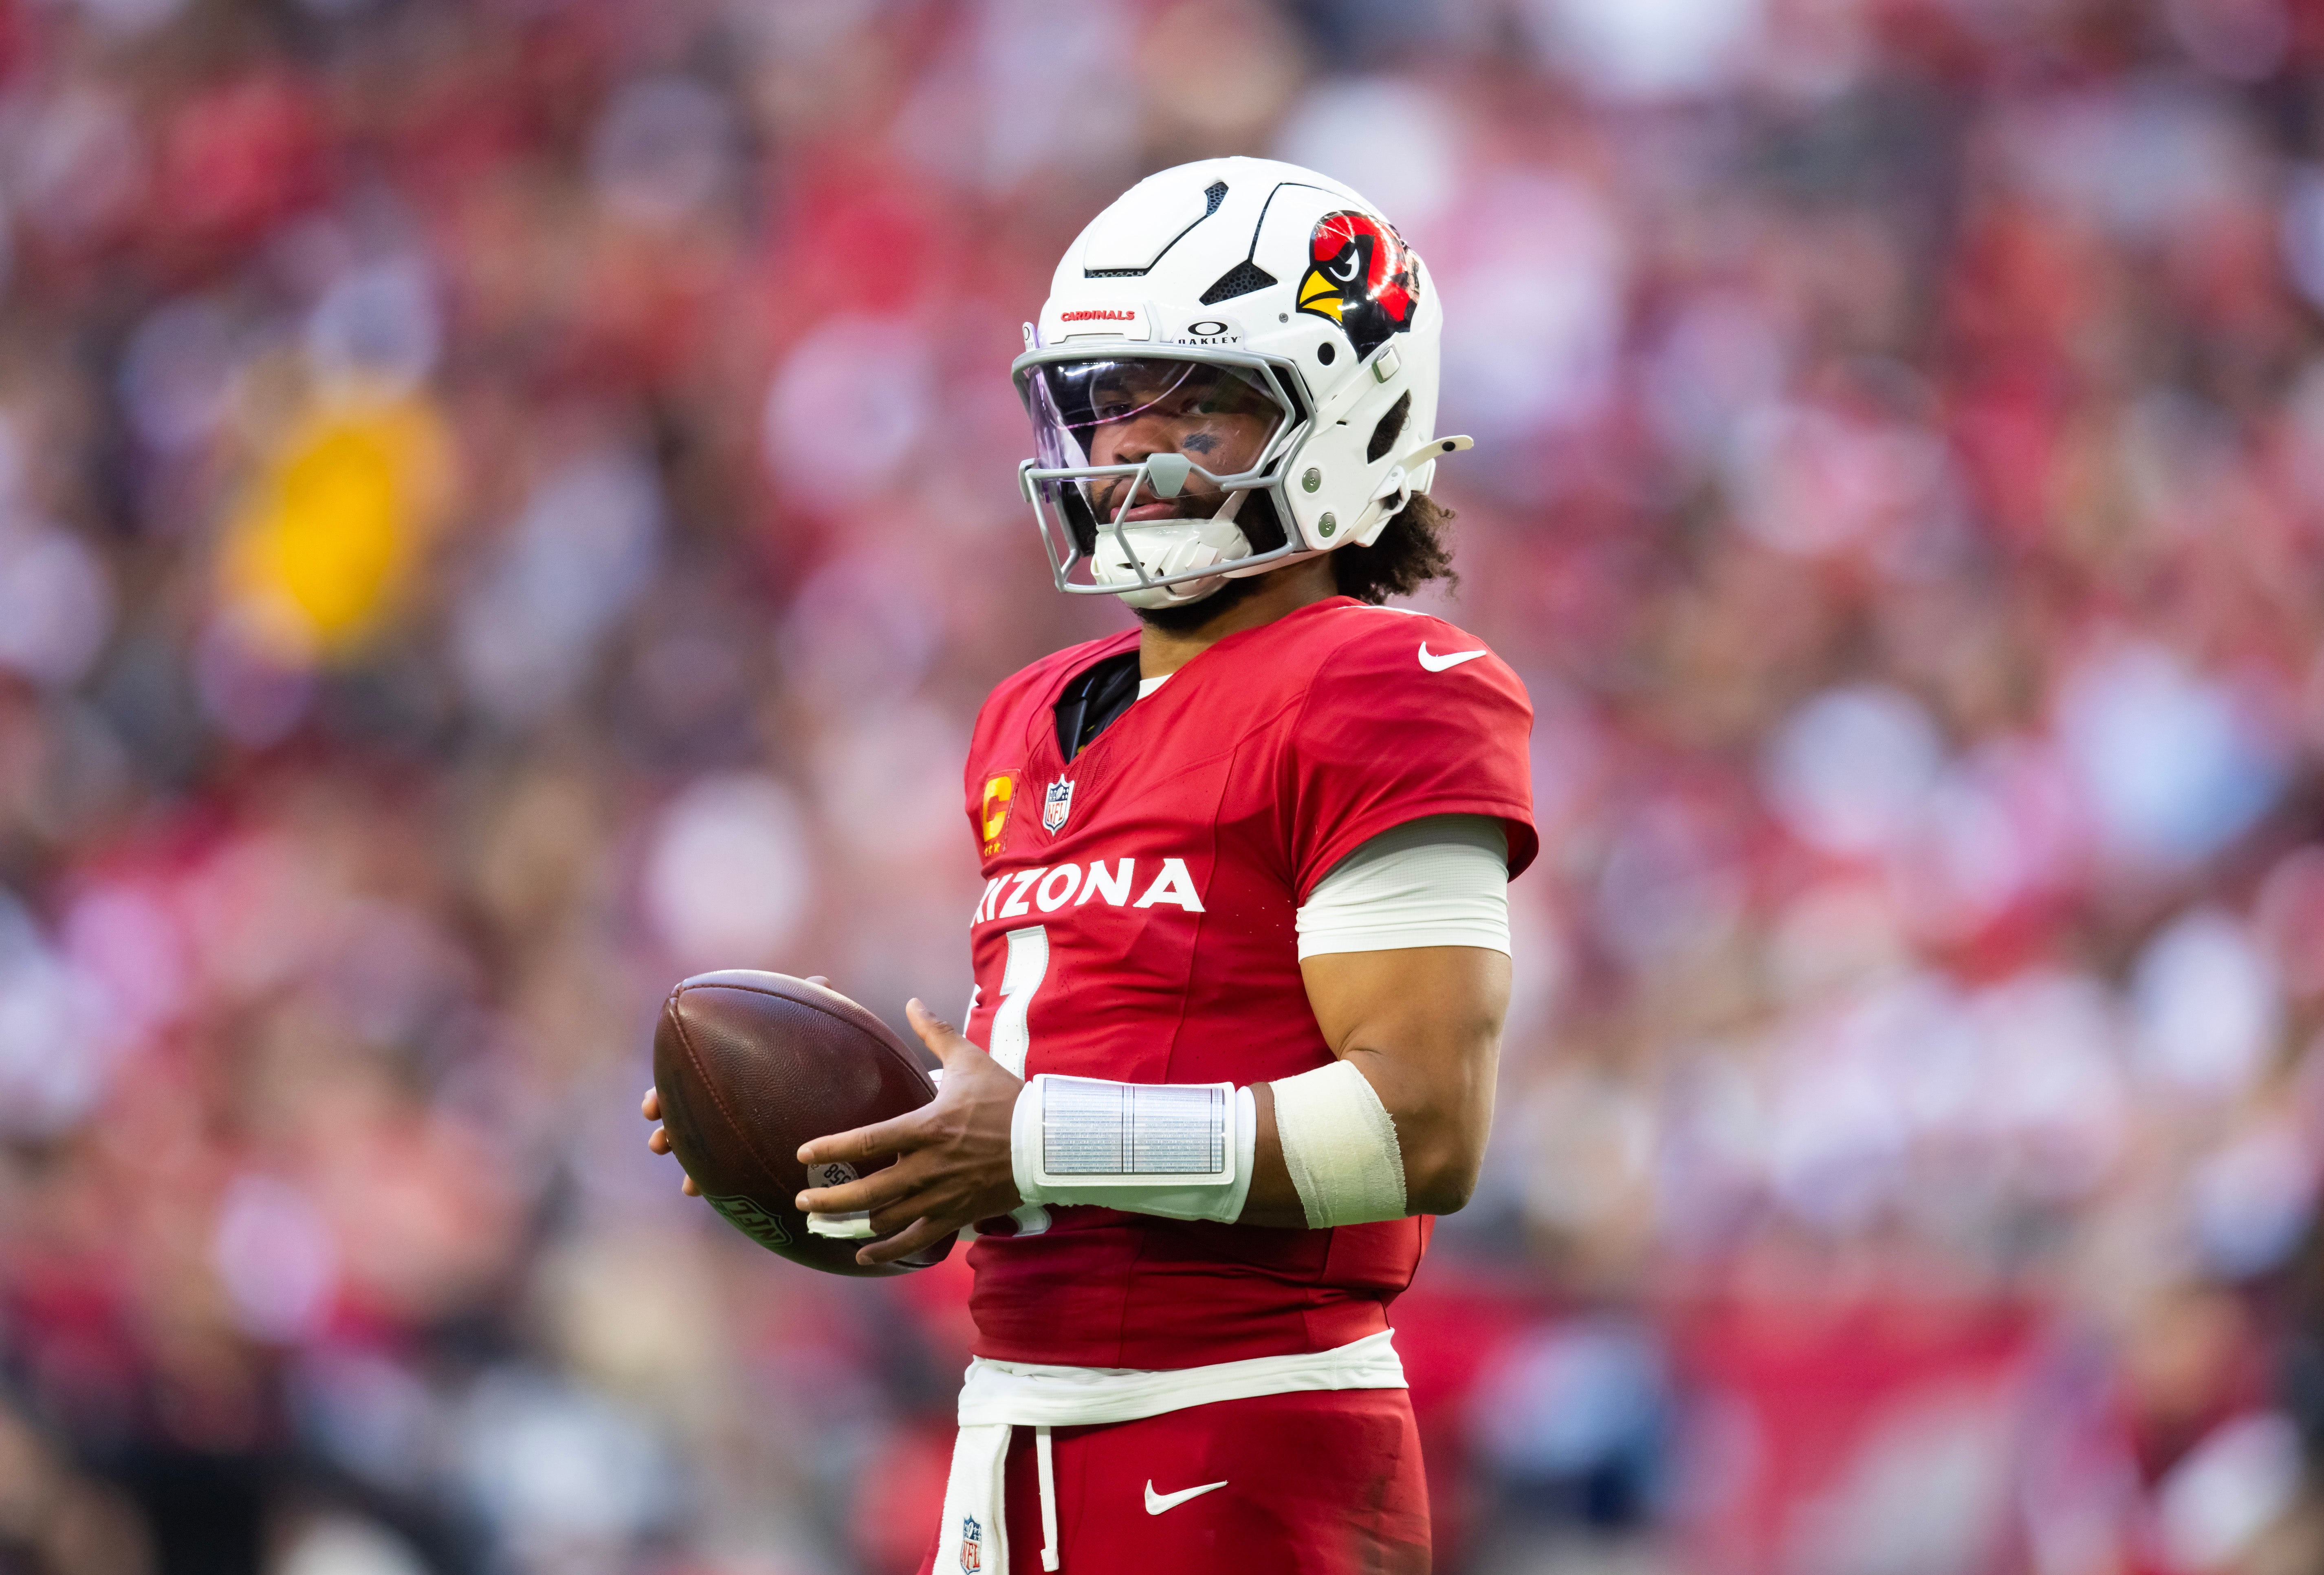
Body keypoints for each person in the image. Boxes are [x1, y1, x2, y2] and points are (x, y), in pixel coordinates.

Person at [645, 156, 1535, 1573]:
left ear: (1346, 408)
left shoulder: (1393, 679)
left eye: (1197, 398)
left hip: (1238, 1436)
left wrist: (1028, 1137)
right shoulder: (1030, 714)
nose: (1130, 445)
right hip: (1011, 1436)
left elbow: (1420, 1128)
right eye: (1109, 399)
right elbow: (1079, 1094)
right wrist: (895, 1163)